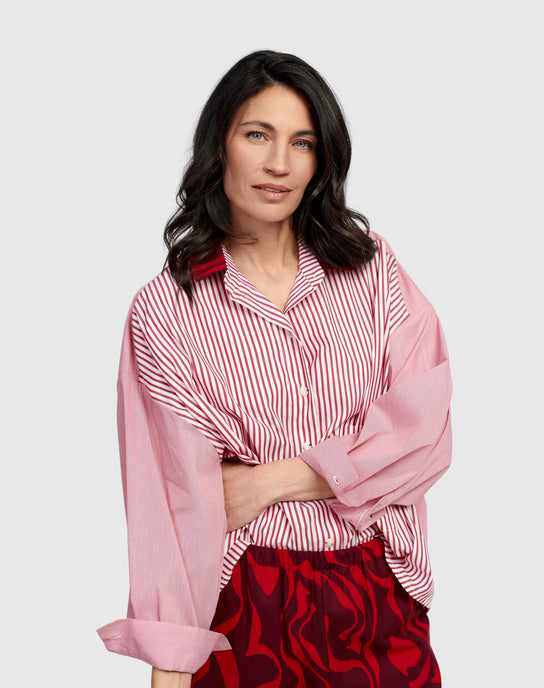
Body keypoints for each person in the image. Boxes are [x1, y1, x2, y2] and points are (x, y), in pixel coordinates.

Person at [97, 50, 452, 688]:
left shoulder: (372, 270)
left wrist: (267, 483)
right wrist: (170, 668)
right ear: (220, 145)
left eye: (302, 142)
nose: (279, 164)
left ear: (321, 160)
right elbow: (171, 508)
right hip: (243, 597)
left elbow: (422, 438)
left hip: (375, 589)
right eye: (258, 135)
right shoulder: (166, 309)